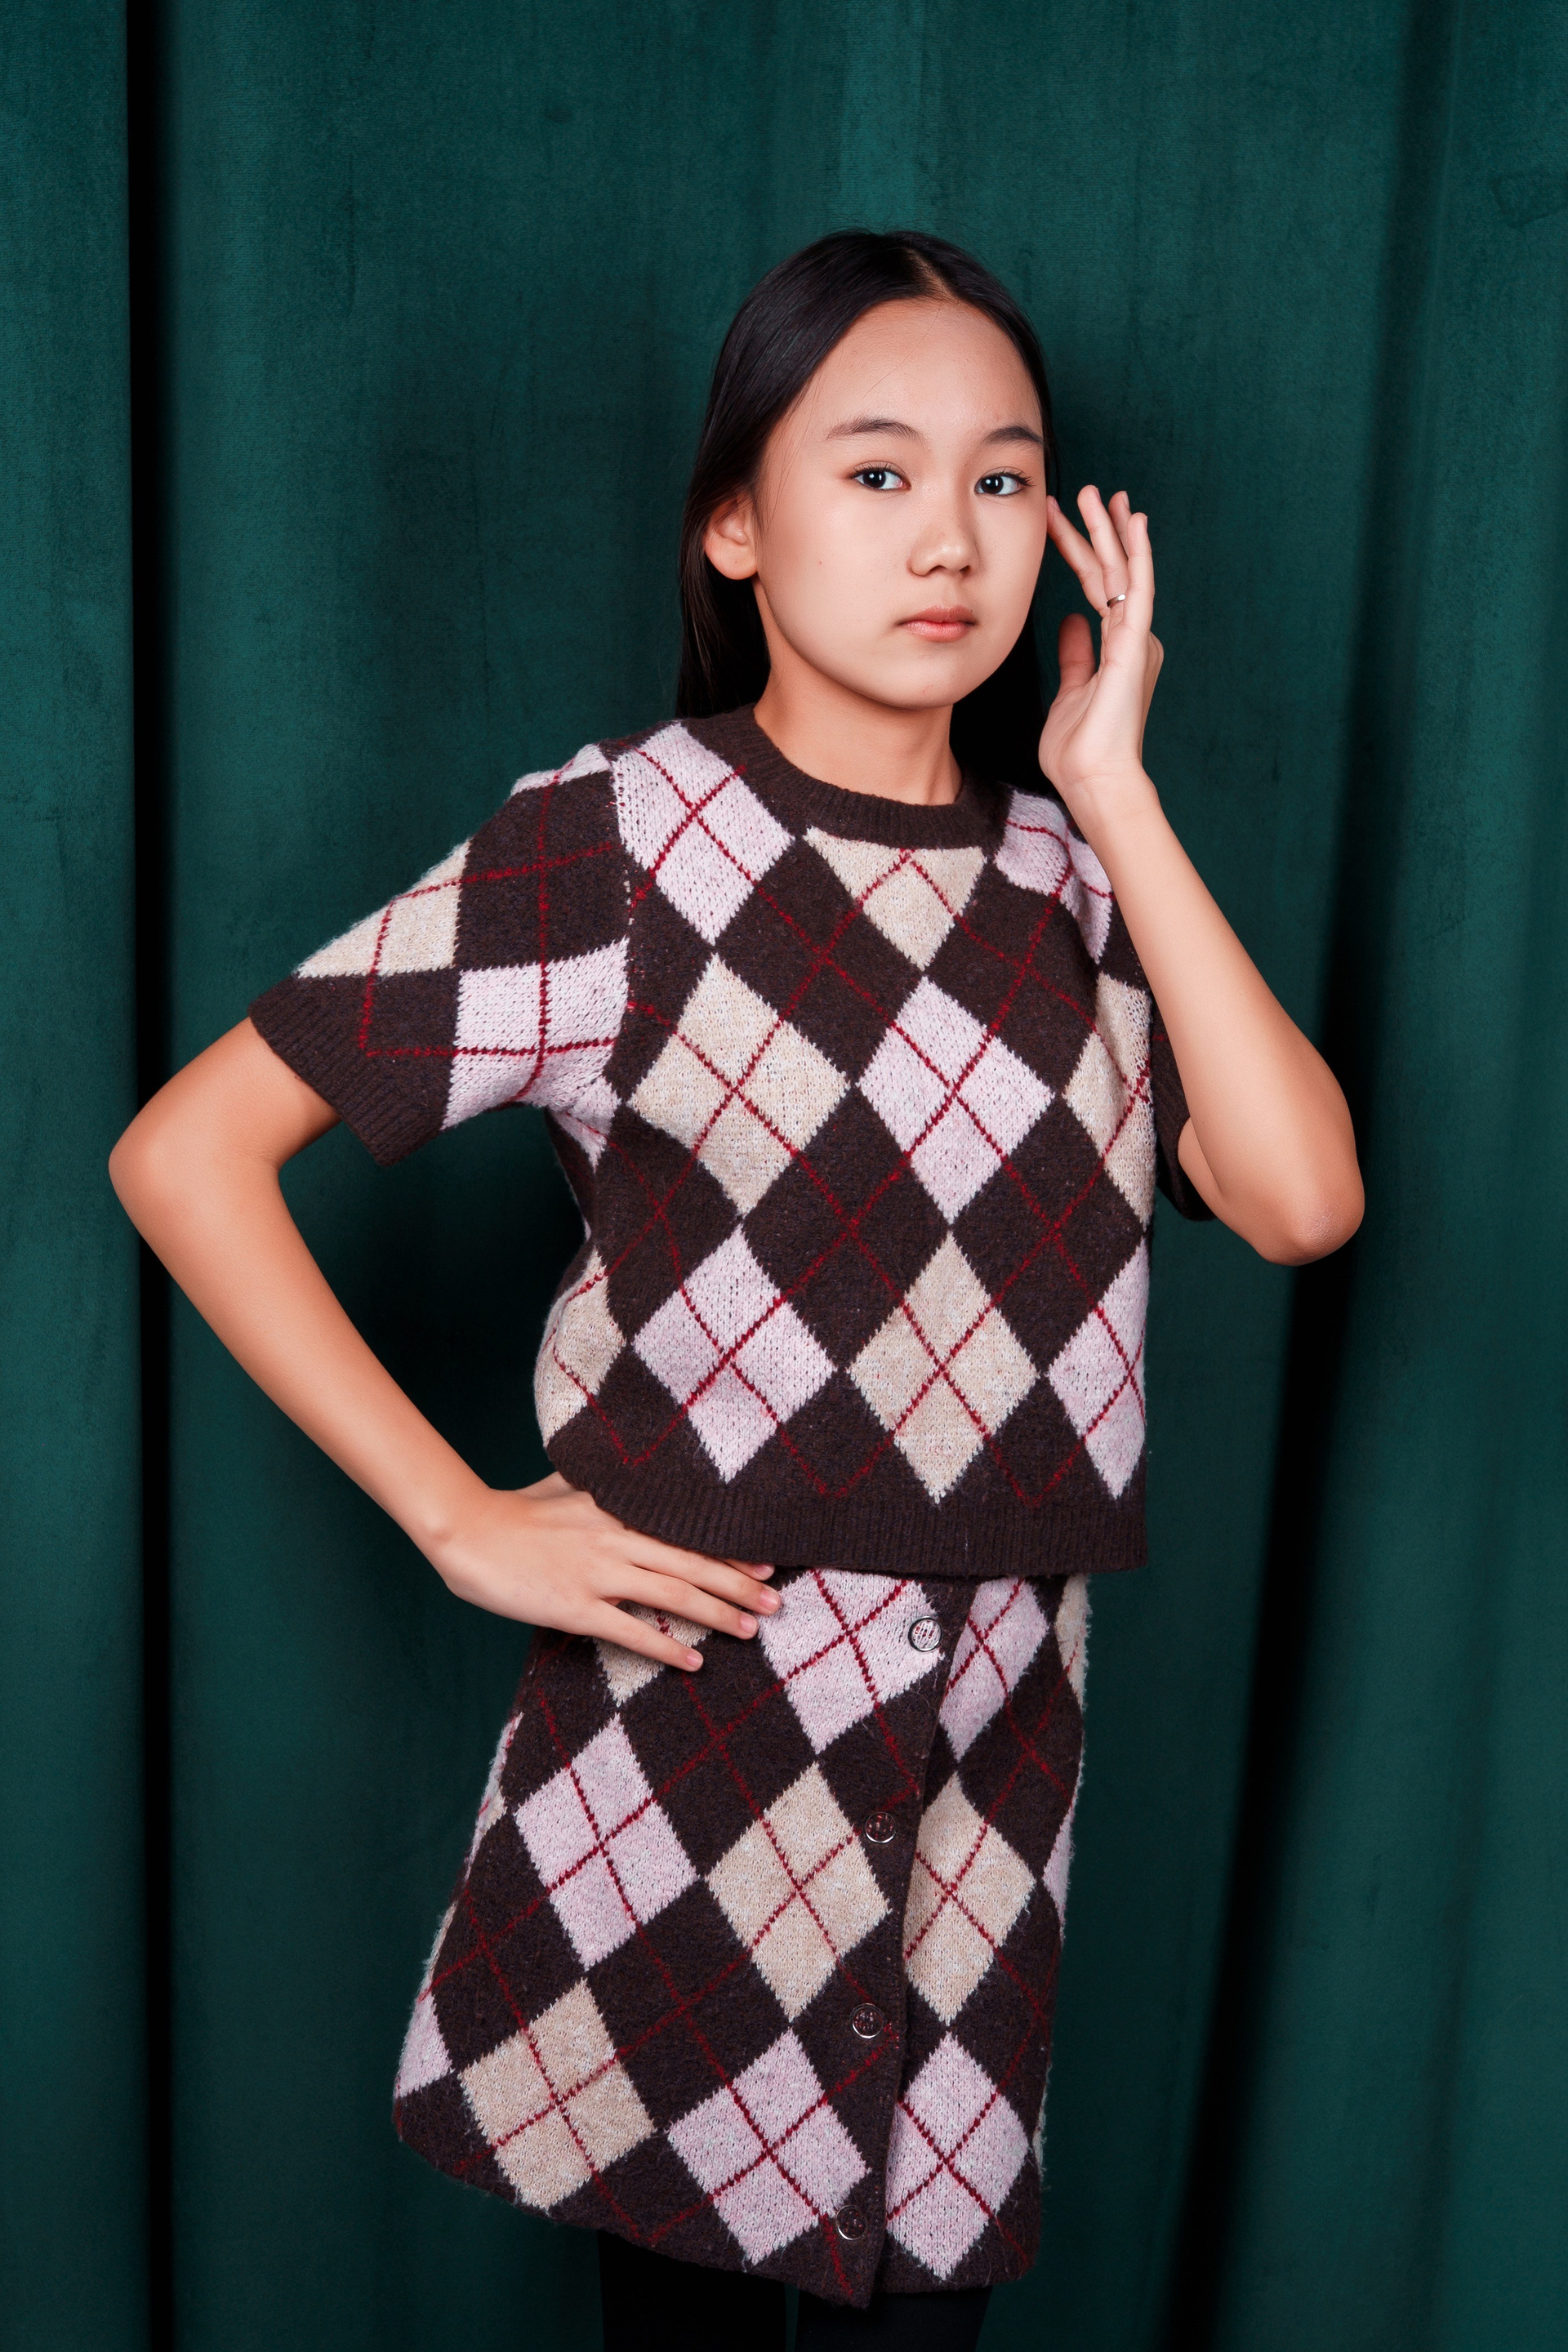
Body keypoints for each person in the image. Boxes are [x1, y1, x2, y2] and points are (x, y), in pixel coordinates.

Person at [109, 230, 1362, 2351]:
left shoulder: (1079, 881)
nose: (949, 538)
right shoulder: (621, 844)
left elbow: (1301, 1197)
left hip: (988, 1764)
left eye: (1001, 477)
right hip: (698, 1736)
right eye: (875, 472)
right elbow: (187, 1152)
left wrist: (1120, 793)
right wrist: (455, 1513)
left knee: (918, 2316)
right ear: (735, 523)